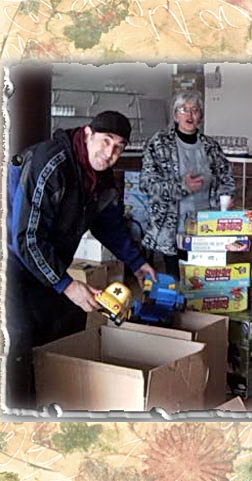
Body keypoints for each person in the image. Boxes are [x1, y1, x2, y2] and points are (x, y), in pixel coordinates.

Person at [6, 110, 157, 409]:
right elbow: (26, 238)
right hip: (12, 260)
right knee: (21, 337)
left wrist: (137, 263)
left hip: (51, 258)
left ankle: (57, 401)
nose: (110, 152)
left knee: (68, 323)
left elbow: (108, 223)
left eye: (119, 147)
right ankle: (18, 415)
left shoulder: (101, 179)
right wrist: (66, 284)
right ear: (88, 134)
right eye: (105, 141)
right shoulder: (50, 164)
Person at [140, 91, 235, 279]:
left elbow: (226, 178)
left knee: (203, 280)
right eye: (184, 110)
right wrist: (182, 186)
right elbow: (147, 184)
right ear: (175, 115)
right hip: (171, 228)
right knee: (176, 283)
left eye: (195, 110)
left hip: (206, 226)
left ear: (201, 116)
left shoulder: (211, 146)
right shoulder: (159, 144)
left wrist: (226, 198)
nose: (189, 115)